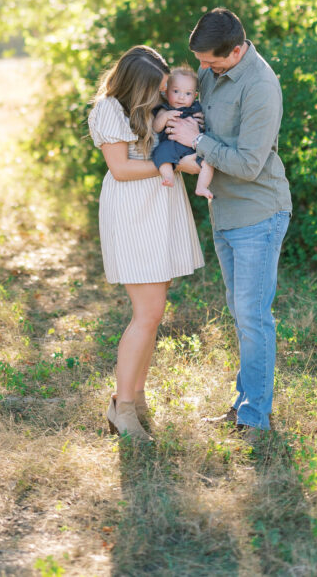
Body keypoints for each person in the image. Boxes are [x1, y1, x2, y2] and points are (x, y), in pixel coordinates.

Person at [167, 9, 291, 437]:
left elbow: (251, 164)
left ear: (237, 50)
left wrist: (197, 142)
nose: (202, 70)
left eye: (211, 62)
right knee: (242, 314)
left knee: (253, 316)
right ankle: (243, 405)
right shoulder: (212, 70)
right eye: (200, 61)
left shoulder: (261, 87)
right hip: (225, 212)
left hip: (259, 213)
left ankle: (255, 417)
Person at [88, 45, 204, 441]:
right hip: (135, 209)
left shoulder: (147, 106)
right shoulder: (109, 109)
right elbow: (120, 169)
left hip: (160, 206)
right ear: (134, 85)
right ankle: (121, 407)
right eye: (153, 89)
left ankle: (135, 397)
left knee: (154, 313)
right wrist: (170, 166)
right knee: (147, 313)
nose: (159, 94)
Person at [152, 66, 215, 199]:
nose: (181, 97)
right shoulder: (164, 109)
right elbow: (156, 127)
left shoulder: (196, 108)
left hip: (194, 148)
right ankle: (168, 176)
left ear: (195, 95)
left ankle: (202, 186)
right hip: (171, 145)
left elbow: (207, 126)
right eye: (176, 91)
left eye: (188, 93)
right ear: (165, 91)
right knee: (161, 154)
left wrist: (202, 121)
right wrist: (164, 117)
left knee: (209, 162)